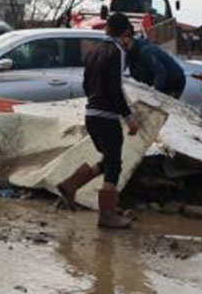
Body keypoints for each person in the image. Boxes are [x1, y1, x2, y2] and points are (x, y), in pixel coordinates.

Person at [56, 12, 140, 229]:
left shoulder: (93, 51)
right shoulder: (118, 51)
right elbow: (115, 87)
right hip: (107, 116)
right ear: (125, 32)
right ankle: (107, 216)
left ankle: (70, 185)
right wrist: (128, 116)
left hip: (91, 114)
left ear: (107, 28)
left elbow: (87, 84)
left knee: (109, 159)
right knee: (114, 165)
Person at [124, 24, 186, 99]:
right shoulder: (129, 53)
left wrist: (153, 94)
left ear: (127, 38)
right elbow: (133, 74)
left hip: (174, 81)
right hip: (159, 79)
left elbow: (160, 73)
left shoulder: (146, 51)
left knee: (164, 105)